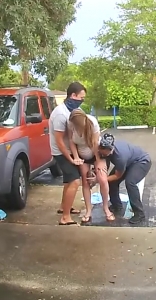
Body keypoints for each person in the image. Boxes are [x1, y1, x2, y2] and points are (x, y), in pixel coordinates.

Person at [49, 82, 86, 226]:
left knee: (68, 181)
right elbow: (59, 141)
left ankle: (64, 207)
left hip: (70, 151)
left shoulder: (72, 110)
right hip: (61, 152)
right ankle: (65, 217)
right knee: (74, 181)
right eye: (81, 98)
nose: (82, 101)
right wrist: (71, 159)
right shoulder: (60, 114)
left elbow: (71, 137)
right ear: (73, 95)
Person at [68, 109, 114, 223]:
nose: (79, 128)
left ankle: (106, 208)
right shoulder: (70, 123)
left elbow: (94, 144)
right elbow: (71, 141)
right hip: (82, 156)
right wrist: (76, 157)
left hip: (96, 153)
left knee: (103, 179)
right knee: (86, 181)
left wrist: (98, 162)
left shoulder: (92, 122)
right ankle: (88, 210)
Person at [98, 133, 152, 224]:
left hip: (141, 161)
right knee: (112, 182)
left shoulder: (120, 157)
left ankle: (139, 214)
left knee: (130, 182)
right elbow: (104, 165)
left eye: (106, 152)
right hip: (129, 161)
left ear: (111, 149)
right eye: (102, 151)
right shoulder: (103, 149)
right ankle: (116, 205)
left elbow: (117, 176)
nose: (103, 154)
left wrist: (101, 179)